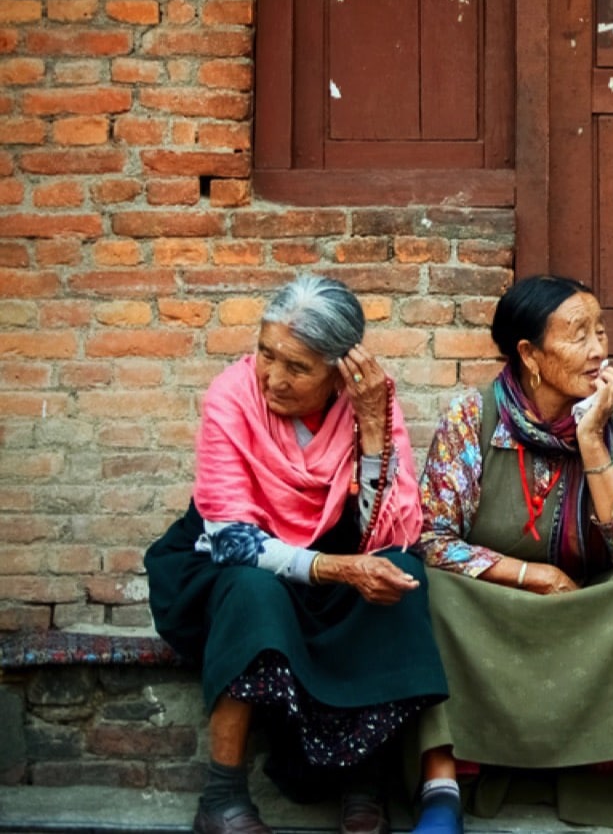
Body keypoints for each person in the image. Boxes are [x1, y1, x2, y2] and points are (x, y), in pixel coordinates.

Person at [146, 274, 447, 834]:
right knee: (252, 589)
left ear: (340, 373)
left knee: (401, 575)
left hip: (329, 562)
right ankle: (222, 796)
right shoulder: (231, 397)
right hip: (222, 564)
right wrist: (337, 569)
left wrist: (374, 428)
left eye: (297, 367)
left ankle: (364, 782)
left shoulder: (370, 405)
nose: (273, 378)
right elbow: (231, 538)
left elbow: (389, 533)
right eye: (266, 354)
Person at [410, 275, 613, 834]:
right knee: (429, 588)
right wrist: (530, 575)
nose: (599, 349)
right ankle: (441, 790)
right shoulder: (472, 418)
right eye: (578, 334)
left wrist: (592, 444)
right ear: (530, 354)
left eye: (601, 331)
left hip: (587, 610)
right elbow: (433, 540)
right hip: (494, 610)